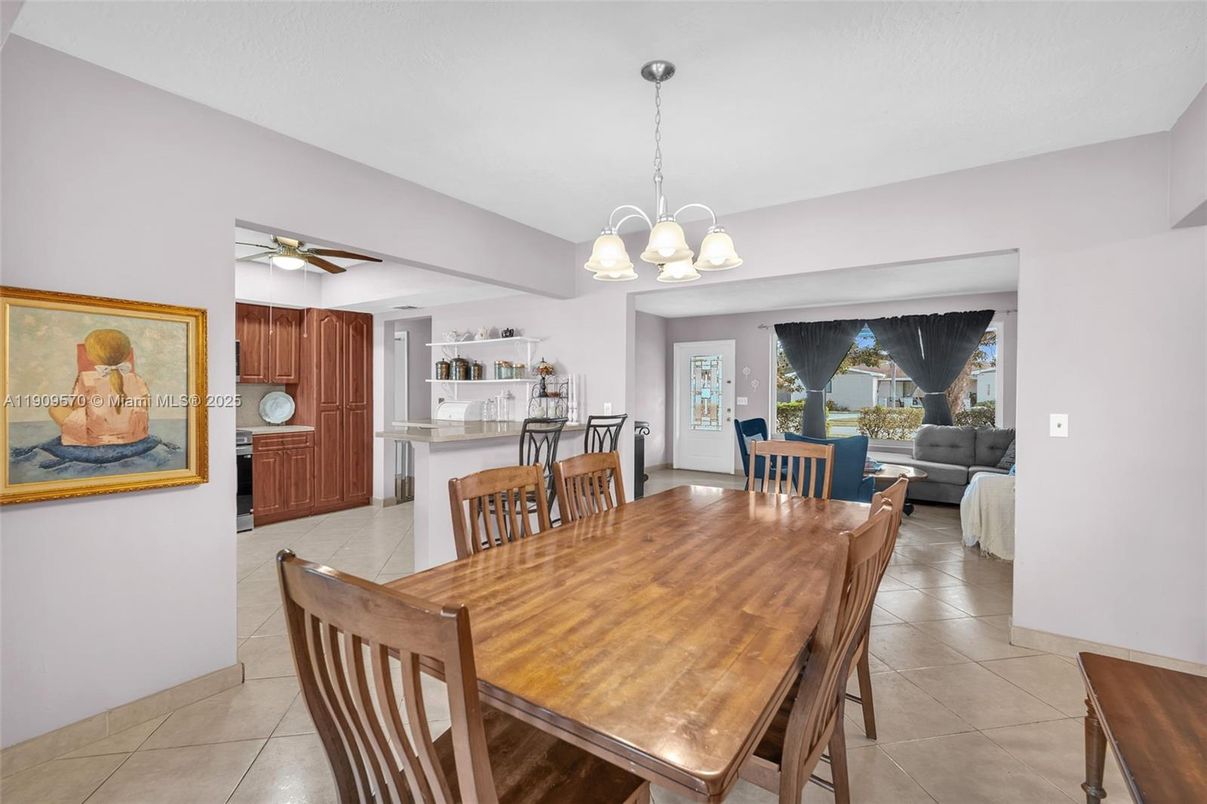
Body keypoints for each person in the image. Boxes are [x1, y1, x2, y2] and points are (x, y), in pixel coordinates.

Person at [49, 329, 150, 446]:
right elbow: (144, 407)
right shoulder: (137, 378)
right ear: (127, 353)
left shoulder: (85, 378)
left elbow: (78, 407)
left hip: (96, 437)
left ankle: (85, 439)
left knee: (55, 408)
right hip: (133, 436)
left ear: (91, 355)